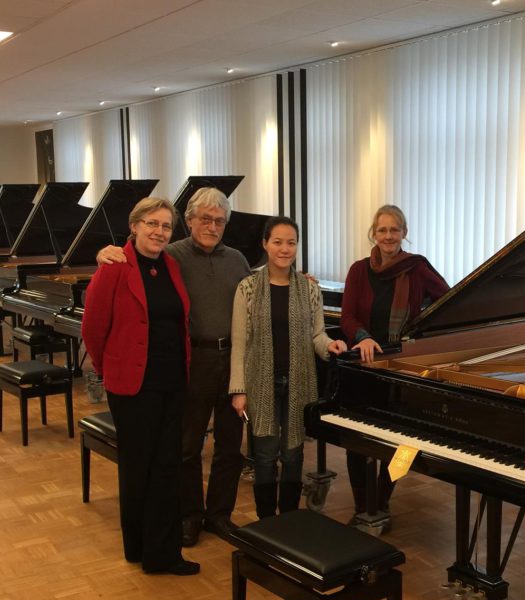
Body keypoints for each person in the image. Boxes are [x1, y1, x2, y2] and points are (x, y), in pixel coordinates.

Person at [95, 187, 251, 545]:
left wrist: (301, 281)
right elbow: (134, 257)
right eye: (205, 219)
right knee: (187, 445)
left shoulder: (239, 260)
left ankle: (220, 515)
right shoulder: (171, 255)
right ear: (190, 220)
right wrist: (104, 252)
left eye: (219, 220)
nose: (212, 226)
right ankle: (189, 515)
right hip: (191, 360)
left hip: (233, 361)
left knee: (230, 445)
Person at [81, 197, 199, 575]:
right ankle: (140, 547)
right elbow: (93, 328)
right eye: (151, 223)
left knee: (166, 466)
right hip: (132, 384)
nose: (158, 232)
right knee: (137, 467)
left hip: (172, 380)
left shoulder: (172, 267)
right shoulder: (114, 266)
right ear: (134, 226)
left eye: (166, 226)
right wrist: (108, 369)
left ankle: (158, 552)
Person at [228, 217, 347, 518]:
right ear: (265, 244)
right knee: (266, 456)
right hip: (260, 383)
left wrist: (330, 346)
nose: (284, 249)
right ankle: (267, 521)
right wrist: (238, 390)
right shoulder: (248, 288)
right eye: (277, 242)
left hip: (299, 383)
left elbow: (317, 335)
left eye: (291, 242)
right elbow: (239, 344)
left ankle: (291, 520)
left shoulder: (309, 290)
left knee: (294, 454)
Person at [340, 204, 450, 529]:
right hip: (365, 363)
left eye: (395, 230)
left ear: (404, 233)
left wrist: (418, 330)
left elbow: (447, 300)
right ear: (373, 233)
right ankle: (363, 505)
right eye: (382, 230)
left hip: (402, 369)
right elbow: (348, 316)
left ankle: (383, 500)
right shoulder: (359, 270)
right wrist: (362, 337)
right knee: (356, 438)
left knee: (404, 442)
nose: (388, 236)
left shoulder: (417, 268)